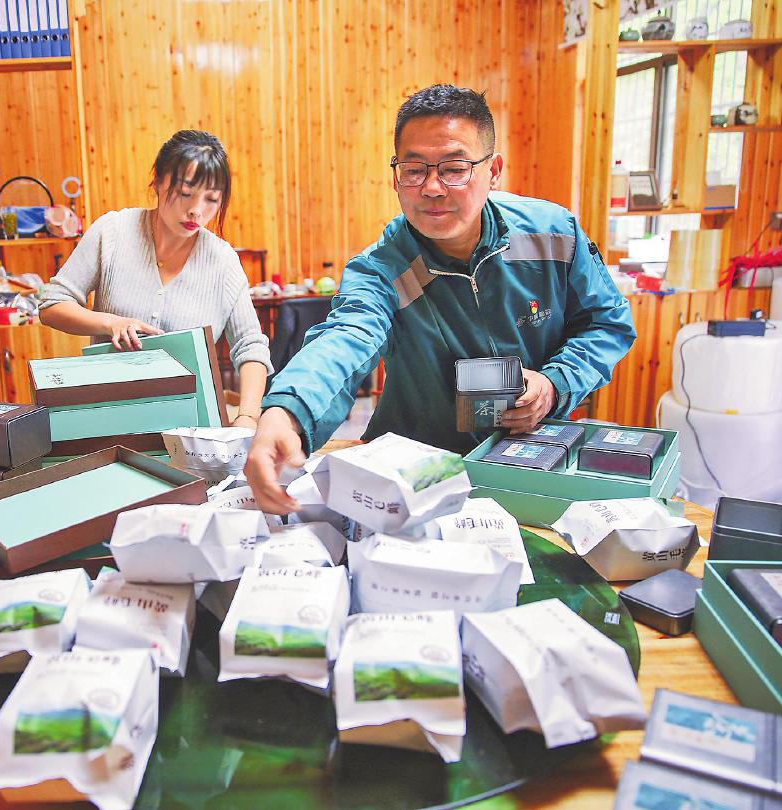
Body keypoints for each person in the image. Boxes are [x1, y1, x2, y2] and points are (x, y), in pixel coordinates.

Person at [245, 84, 635, 513]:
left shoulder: (553, 233)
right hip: (417, 477)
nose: (431, 187)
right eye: (414, 169)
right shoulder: (383, 268)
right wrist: (287, 412)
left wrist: (555, 383)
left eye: (454, 168)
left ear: (493, 170)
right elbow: (345, 337)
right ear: (395, 175)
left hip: (531, 463)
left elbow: (606, 323)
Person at [38, 130, 271, 428]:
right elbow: (52, 306)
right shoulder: (113, 232)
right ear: (158, 182)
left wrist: (248, 417)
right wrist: (111, 323)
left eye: (211, 199)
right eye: (185, 193)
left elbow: (250, 346)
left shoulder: (223, 260)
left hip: (193, 426)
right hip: (110, 416)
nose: (196, 211)